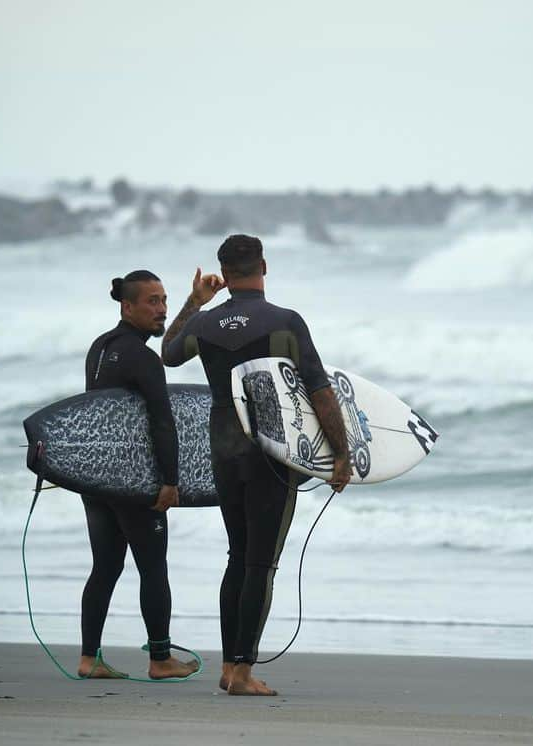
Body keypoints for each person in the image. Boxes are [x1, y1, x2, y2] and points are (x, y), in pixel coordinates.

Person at [163, 234, 352, 696]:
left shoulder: (205, 324)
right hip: (272, 454)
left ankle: (230, 667)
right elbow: (319, 390)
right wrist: (341, 453)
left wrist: (194, 301)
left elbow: (168, 353)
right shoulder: (284, 322)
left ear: (223, 274)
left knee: (237, 557)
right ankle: (242, 673)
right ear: (264, 266)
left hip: (224, 449)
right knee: (261, 564)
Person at [79, 270, 198, 680]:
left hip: (96, 478)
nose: (161, 308)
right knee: (153, 566)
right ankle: (161, 659)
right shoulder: (142, 357)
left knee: (106, 566)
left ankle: (89, 657)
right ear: (127, 307)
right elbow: (161, 421)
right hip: (133, 482)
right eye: (152, 301)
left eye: (164, 300)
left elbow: (99, 417)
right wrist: (170, 480)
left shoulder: (99, 348)